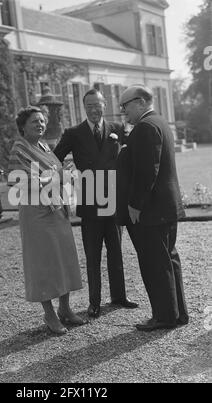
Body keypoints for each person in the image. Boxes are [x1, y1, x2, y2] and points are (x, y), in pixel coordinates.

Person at [54, 89, 138, 318]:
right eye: (89, 105)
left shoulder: (117, 129)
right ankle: (95, 302)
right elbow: (54, 158)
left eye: (97, 105)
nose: (93, 109)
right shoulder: (74, 133)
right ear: (84, 107)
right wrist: (65, 175)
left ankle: (119, 296)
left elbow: (133, 154)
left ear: (104, 105)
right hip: (90, 203)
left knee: (116, 252)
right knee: (93, 255)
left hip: (113, 200)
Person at [117, 85, 189, 331]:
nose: (122, 111)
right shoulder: (159, 122)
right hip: (165, 207)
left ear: (139, 102)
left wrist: (135, 204)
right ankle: (178, 313)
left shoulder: (145, 128)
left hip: (152, 210)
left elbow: (148, 171)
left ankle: (164, 316)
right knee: (169, 260)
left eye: (124, 106)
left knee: (155, 264)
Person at [9, 106, 85, 335]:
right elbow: (17, 182)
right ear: (23, 126)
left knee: (63, 258)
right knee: (43, 262)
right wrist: (56, 177)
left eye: (42, 121)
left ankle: (65, 308)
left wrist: (65, 175)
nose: (40, 125)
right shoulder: (19, 148)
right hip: (36, 214)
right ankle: (49, 313)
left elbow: (57, 174)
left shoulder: (45, 146)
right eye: (34, 121)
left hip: (56, 209)